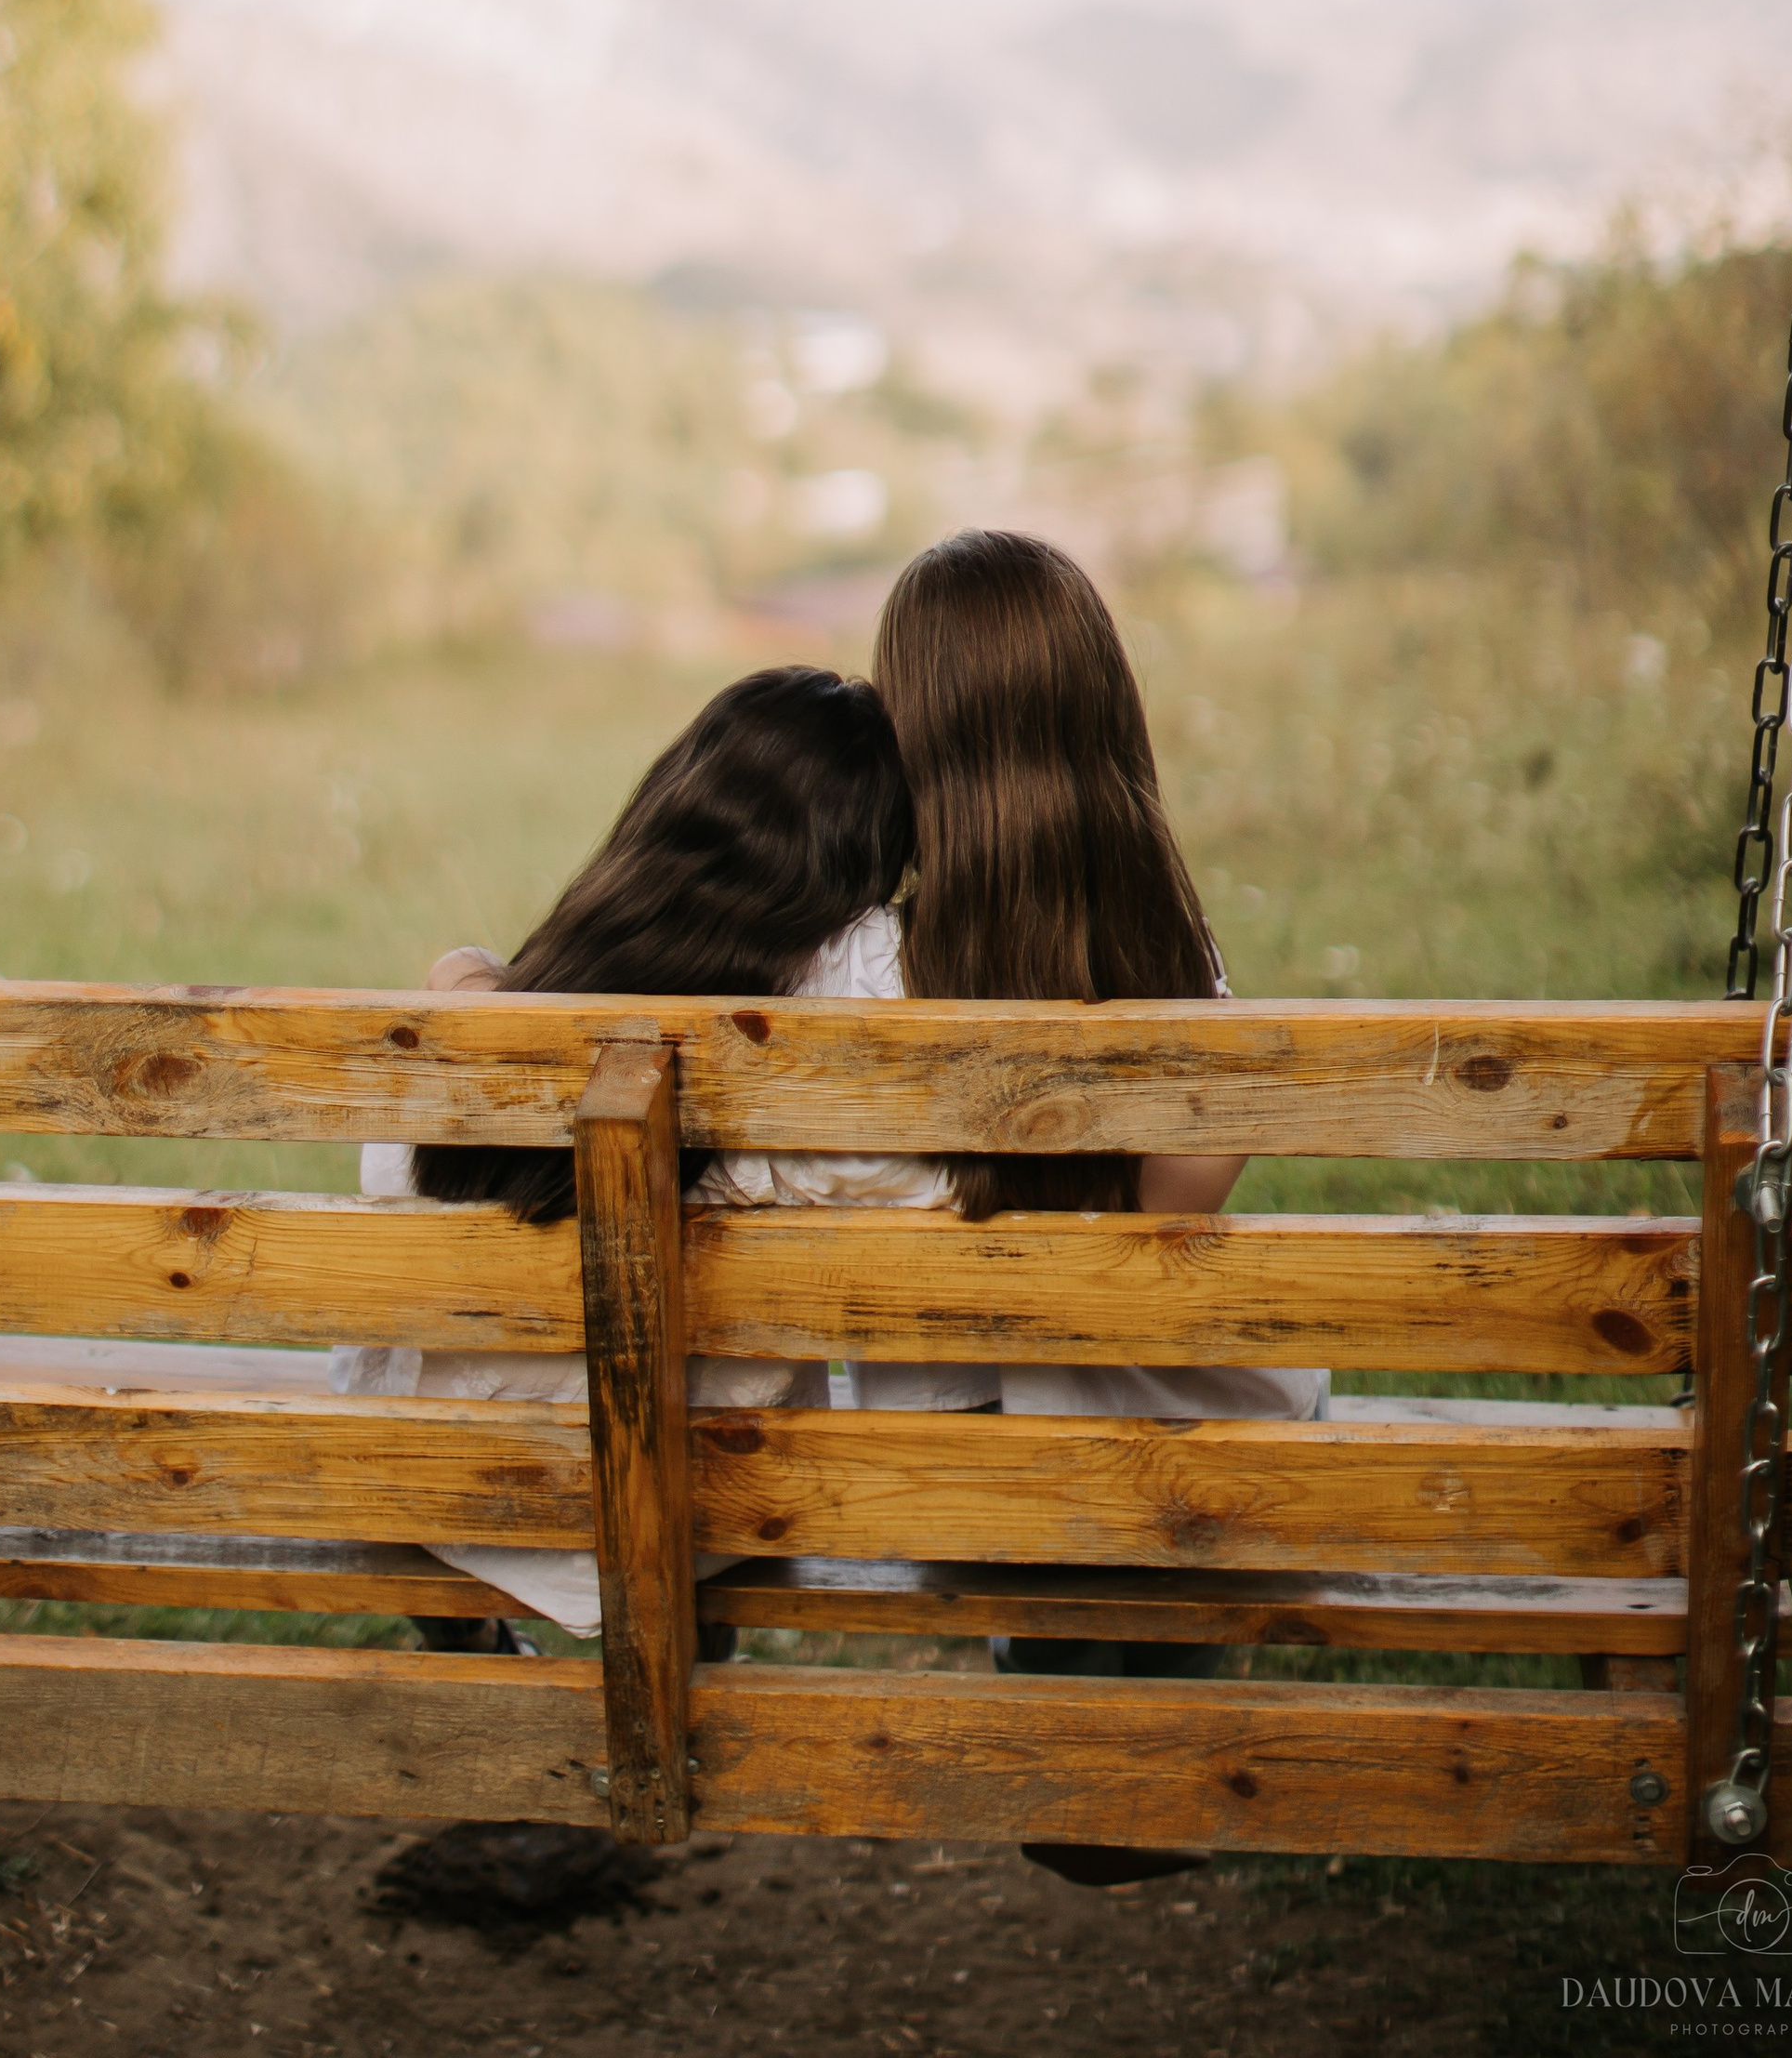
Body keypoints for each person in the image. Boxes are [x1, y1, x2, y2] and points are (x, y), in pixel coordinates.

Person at [868, 525, 1327, 1888]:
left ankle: (1069, 1669)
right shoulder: (1176, 956)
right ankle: (1141, 1670)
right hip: (1180, 1453)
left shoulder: (869, 967)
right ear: (1106, 720)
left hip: (957, 1481)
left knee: (1016, 1413)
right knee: (1147, 1387)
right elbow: (1185, 1201)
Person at [331, 661, 941, 1638]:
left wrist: (468, 980)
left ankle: (479, 1645)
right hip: (706, 1510)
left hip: (461, 1481)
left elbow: (400, 1172)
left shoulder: (558, 992)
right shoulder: (816, 1047)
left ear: (675, 797)